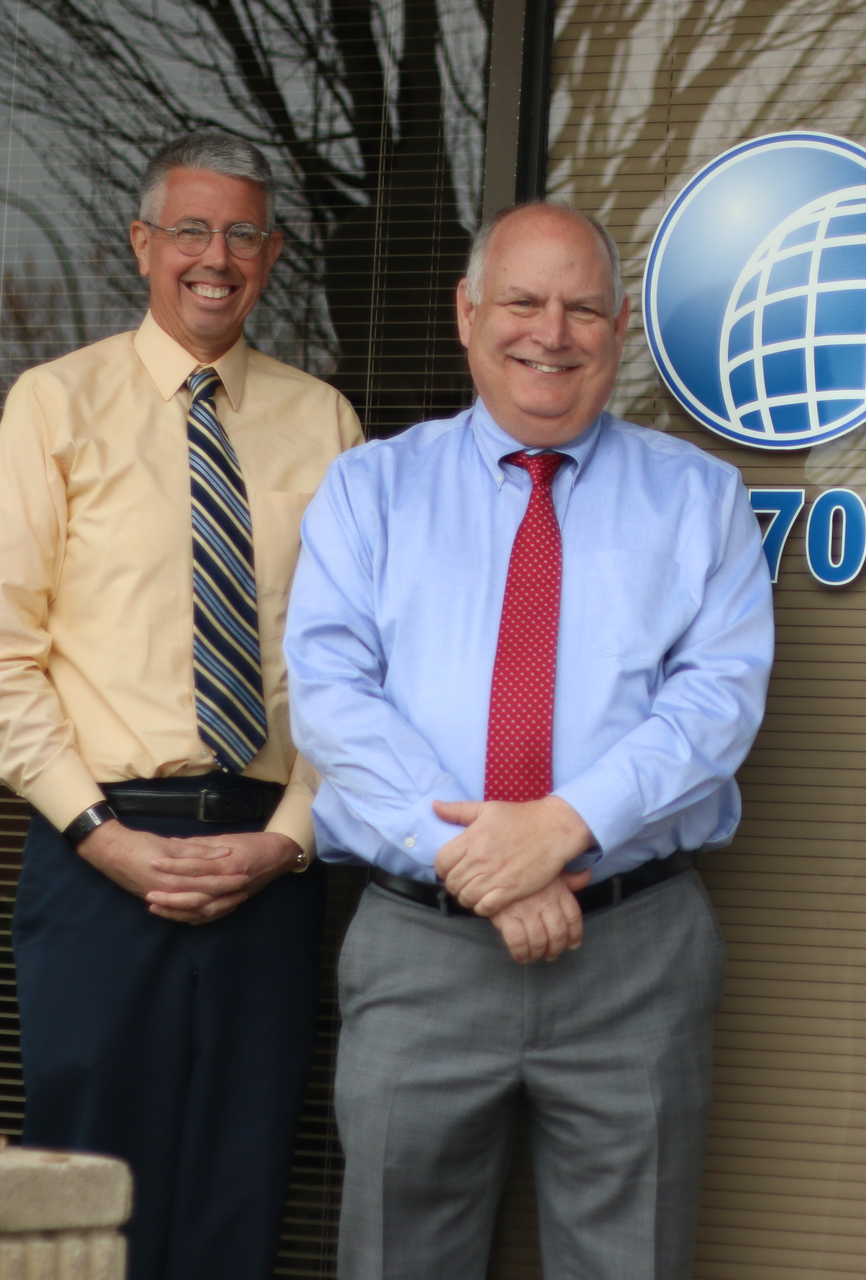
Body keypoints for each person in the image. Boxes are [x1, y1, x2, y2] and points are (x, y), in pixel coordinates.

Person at [284, 200, 774, 1279]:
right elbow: (330, 695)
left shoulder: (702, 499)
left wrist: (563, 825)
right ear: (467, 313)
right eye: (522, 300)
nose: (550, 332)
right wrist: (492, 865)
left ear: (620, 325)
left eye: (582, 307)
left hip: (633, 954)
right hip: (423, 952)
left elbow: (717, 702)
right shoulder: (372, 489)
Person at [0, 131, 362, 1280]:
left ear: (274, 254)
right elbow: (5, 655)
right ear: (144, 245)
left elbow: (360, 672)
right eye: (192, 230)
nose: (218, 256)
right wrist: (99, 837)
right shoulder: (55, 405)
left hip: (267, 858)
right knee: (84, 1199)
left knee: (238, 1188)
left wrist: (290, 837)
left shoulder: (329, 425)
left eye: (244, 232)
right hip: (99, 847)